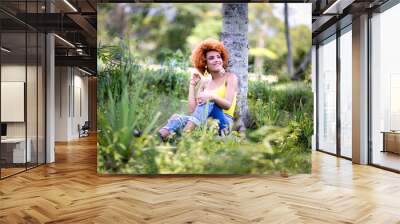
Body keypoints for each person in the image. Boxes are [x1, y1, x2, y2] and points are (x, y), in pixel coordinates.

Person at [158, 38, 238, 139]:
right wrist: (192, 85)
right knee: (177, 118)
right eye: (211, 58)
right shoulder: (205, 82)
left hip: (224, 124)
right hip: (205, 122)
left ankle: (185, 135)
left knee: (208, 99)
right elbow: (193, 111)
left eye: (219, 57)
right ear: (205, 63)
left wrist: (212, 96)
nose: (217, 60)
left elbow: (227, 105)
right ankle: (155, 138)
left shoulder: (230, 77)